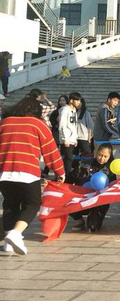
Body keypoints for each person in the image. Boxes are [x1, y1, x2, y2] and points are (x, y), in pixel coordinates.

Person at [0, 97, 65, 255]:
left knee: (10, 205)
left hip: (4, 173)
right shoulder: (37, 124)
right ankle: (16, 234)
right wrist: (60, 172)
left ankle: (8, 243)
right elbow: (51, 150)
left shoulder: (4, 123)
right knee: (32, 204)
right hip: (27, 172)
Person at [66, 143, 115, 233]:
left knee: (93, 227)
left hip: (99, 203)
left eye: (105, 156)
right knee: (66, 202)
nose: (102, 158)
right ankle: (79, 221)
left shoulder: (111, 170)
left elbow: (113, 187)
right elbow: (69, 179)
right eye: (100, 155)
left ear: (109, 156)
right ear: (96, 152)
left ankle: (94, 218)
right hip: (82, 198)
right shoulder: (83, 164)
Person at [58, 92, 81, 173]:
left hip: (72, 139)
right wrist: (65, 139)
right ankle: (66, 176)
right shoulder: (65, 110)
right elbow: (62, 125)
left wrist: (75, 138)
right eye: (77, 100)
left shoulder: (74, 111)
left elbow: (74, 125)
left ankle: (70, 175)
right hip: (66, 139)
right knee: (68, 159)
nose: (79, 102)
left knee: (70, 159)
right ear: (71, 101)